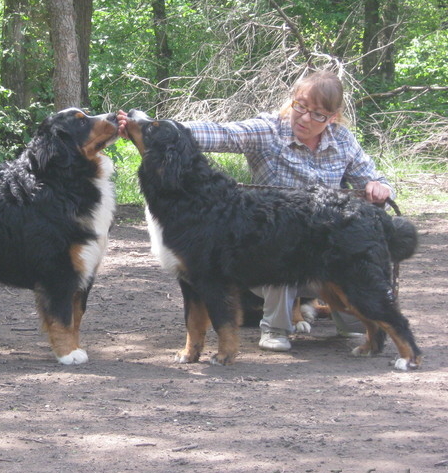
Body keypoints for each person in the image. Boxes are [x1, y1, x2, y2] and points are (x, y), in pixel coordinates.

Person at [118, 70, 394, 353]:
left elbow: (375, 181)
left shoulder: (343, 140)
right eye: (301, 106)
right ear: (292, 102)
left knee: (354, 304)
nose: (305, 118)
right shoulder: (268, 130)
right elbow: (219, 133)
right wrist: (152, 129)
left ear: (332, 118)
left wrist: (379, 187)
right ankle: (276, 328)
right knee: (279, 246)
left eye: (318, 114)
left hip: (323, 240)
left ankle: (345, 320)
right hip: (271, 242)